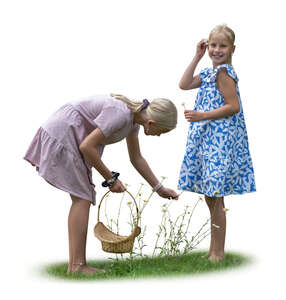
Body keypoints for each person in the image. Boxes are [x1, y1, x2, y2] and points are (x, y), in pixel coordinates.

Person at [24, 93, 179, 274]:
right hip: (65, 132)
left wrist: (159, 188)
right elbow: (87, 146)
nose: (160, 136)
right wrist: (110, 179)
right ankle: (77, 266)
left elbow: (136, 158)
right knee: (82, 198)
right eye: (162, 131)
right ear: (151, 123)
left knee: (82, 196)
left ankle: (76, 265)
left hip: (69, 132)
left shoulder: (132, 122)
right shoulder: (121, 114)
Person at [177, 24, 256, 262]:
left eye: (222, 45)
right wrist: (197, 56)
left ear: (232, 48)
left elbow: (234, 106)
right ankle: (213, 251)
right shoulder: (210, 73)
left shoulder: (223, 73)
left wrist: (202, 115)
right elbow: (183, 84)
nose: (217, 49)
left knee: (215, 195)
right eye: (213, 45)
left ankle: (218, 253)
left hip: (220, 141)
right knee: (211, 196)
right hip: (209, 140)